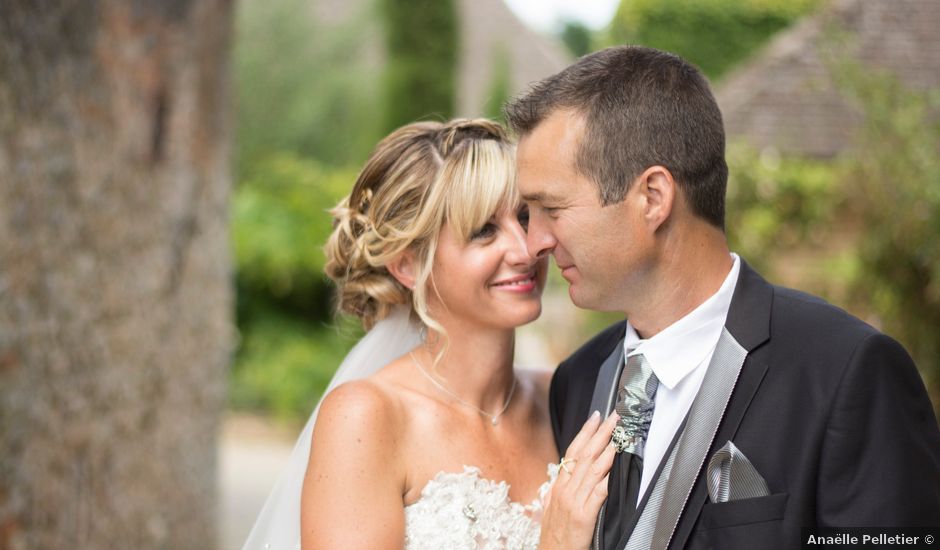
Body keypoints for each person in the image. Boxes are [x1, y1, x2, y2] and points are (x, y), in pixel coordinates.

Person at [505, 46, 940, 550]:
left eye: (551, 209)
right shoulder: (579, 381)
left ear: (653, 197)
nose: (533, 242)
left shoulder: (847, 373)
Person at [242, 118, 618, 550]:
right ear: (409, 265)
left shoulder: (566, 395)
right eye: (483, 231)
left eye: (525, 217)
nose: (525, 249)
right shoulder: (367, 417)